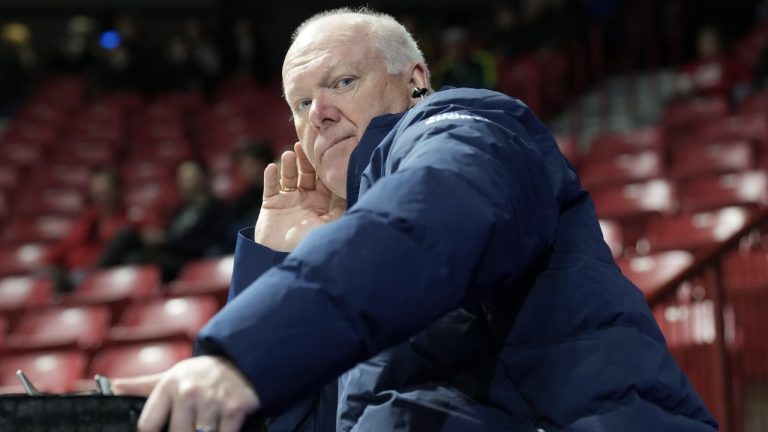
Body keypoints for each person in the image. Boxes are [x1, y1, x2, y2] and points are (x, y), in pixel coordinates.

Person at [112, 7, 718, 432]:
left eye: (342, 82)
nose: (317, 114)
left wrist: (247, 352)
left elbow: (434, 213)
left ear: (417, 82)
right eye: (300, 103)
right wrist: (278, 261)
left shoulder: (468, 126)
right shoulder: (354, 258)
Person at [98, 159, 230, 281]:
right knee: (127, 236)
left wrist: (167, 241)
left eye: (189, 179)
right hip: (168, 253)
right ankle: (96, 276)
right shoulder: (181, 209)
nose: (183, 183)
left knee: (134, 257)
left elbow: (205, 244)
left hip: (189, 261)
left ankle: (94, 276)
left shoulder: (216, 209)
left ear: (203, 178)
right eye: (181, 179)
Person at [41, 168, 130, 292]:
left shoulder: (129, 224)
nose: (101, 198)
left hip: (101, 281)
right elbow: (59, 250)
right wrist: (47, 266)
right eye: (96, 193)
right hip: (71, 277)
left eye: (105, 192)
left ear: (118, 191)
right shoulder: (86, 221)